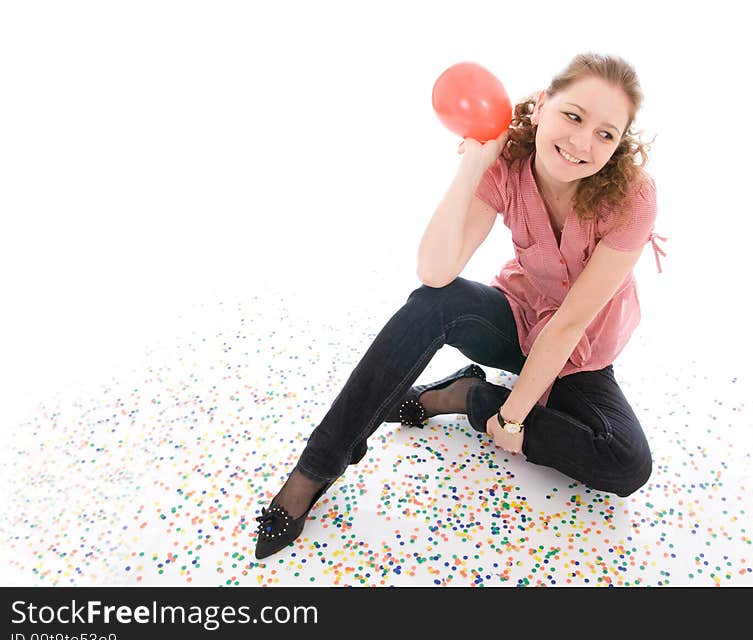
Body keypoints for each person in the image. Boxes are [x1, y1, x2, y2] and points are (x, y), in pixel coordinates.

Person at [254, 52, 667, 559]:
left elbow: (571, 323)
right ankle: (315, 467)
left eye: (606, 134)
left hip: (578, 352)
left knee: (626, 464)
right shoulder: (509, 167)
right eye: (573, 116)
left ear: (619, 143)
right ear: (541, 105)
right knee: (435, 303)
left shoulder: (632, 198)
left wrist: (509, 417)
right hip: (516, 322)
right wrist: (474, 163)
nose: (583, 143)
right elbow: (435, 272)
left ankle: (467, 396)